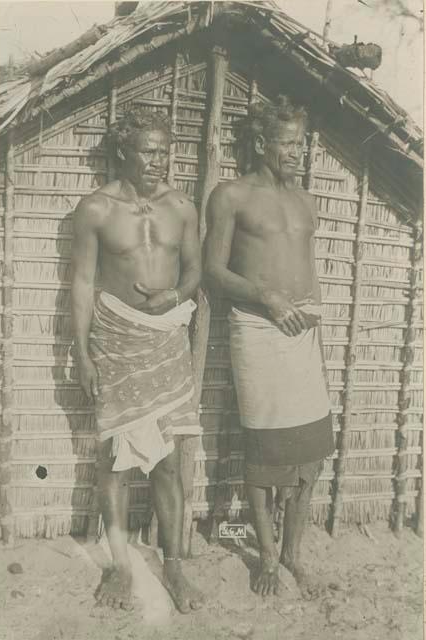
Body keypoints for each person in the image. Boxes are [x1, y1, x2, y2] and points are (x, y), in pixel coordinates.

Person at [71, 107, 204, 613]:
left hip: (165, 341)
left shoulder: (183, 208)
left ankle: (173, 564)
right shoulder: (96, 210)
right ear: (123, 152)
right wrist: (81, 353)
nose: (159, 160)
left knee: (168, 461)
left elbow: (193, 273)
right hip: (115, 340)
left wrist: (172, 299)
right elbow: (82, 283)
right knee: (114, 460)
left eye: (164, 151)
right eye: (149, 151)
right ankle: (121, 565)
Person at [204, 96, 334, 600]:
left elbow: (304, 265)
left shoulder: (305, 199)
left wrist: (310, 318)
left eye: (300, 142)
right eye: (286, 143)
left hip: (303, 332)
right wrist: (266, 296)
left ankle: (293, 554)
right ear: (260, 144)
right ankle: (267, 557)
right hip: (257, 329)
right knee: (264, 451)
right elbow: (214, 271)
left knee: (312, 454)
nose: (296, 152)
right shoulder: (231, 196)